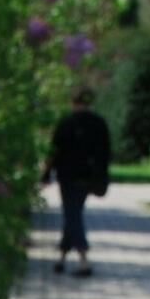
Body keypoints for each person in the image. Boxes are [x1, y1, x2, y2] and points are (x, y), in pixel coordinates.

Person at [44, 87, 112, 275]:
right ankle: (62, 258)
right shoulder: (99, 123)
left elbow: (54, 151)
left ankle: (84, 260)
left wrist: (46, 173)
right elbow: (105, 153)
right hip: (89, 176)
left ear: (73, 102)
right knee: (73, 213)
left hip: (68, 175)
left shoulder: (66, 122)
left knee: (72, 214)